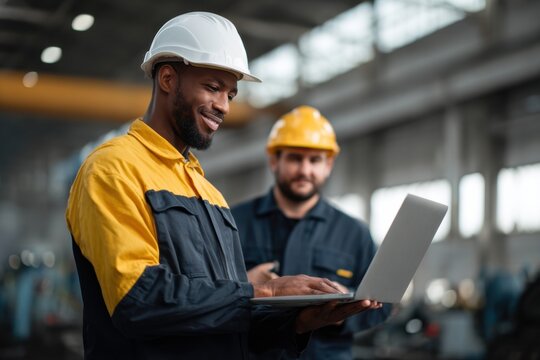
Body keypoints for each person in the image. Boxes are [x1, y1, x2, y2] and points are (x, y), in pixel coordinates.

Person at [65, 12, 382, 360]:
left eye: (230, 94)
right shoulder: (113, 169)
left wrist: (301, 322)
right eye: (212, 87)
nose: (223, 106)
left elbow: (224, 316)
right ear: (168, 78)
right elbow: (138, 301)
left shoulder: (207, 192)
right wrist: (268, 291)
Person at [232, 105, 392, 360]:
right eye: (295, 158)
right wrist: (246, 284)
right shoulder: (233, 223)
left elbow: (384, 305)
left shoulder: (354, 233)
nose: (305, 170)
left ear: (328, 165)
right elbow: (210, 295)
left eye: (315, 160)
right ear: (275, 160)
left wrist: (341, 315)